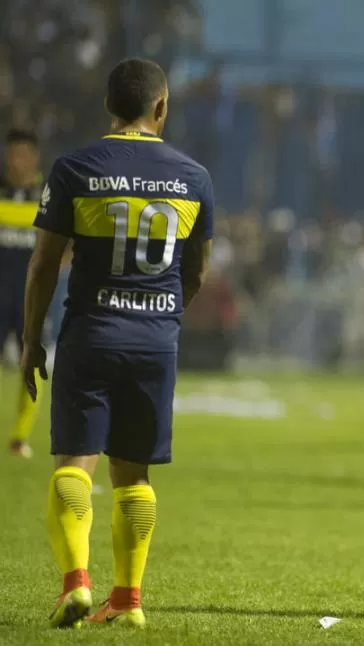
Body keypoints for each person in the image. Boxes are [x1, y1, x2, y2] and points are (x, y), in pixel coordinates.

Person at [21, 58, 213, 629]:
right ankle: (127, 602)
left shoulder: (75, 168)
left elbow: (43, 265)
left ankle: (77, 584)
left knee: (73, 466)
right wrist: (163, 318)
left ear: (109, 107)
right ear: (161, 107)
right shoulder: (193, 176)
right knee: (134, 476)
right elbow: (196, 271)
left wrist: (32, 341)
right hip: (155, 340)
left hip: (91, 334)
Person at [1, 128, 45, 458]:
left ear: (34, 157)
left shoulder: (48, 194)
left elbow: (67, 241)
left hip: (30, 296)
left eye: (23, 154)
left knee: (31, 363)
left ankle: (19, 438)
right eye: (12, 153)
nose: (17, 160)